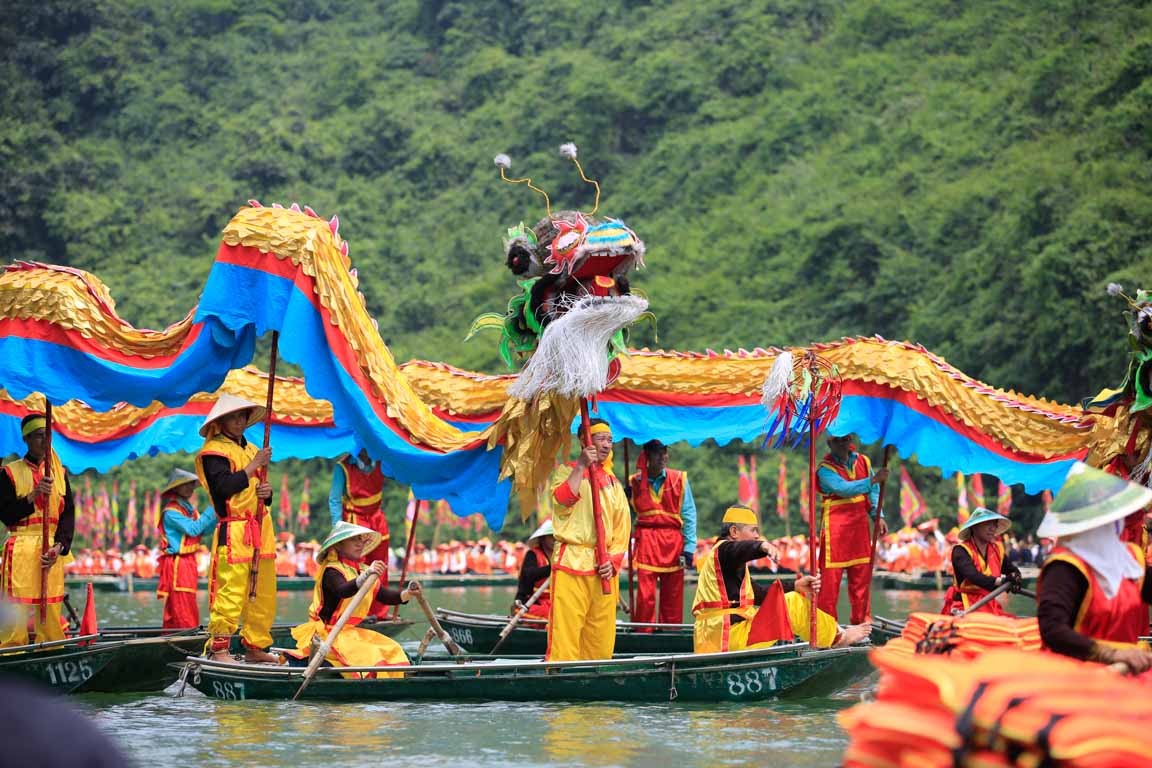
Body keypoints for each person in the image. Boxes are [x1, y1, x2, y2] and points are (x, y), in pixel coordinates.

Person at [691, 505, 871, 652]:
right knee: (792, 603)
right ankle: (838, 637)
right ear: (734, 531)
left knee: (792, 596)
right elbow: (739, 550)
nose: (756, 535)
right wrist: (762, 546)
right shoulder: (724, 550)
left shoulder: (726, 563)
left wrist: (795, 585)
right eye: (753, 530)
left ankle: (832, 633)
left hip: (719, 637)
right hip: (726, 638)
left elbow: (760, 594)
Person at [1036, 462, 1152, 673]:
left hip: (1131, 669)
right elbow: (1052, 630)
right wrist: (1110, 654)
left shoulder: (1131, 558)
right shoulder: (1065, 567)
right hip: (1078, 675)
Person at [194, 393, 278, 663]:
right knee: (231, 590)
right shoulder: (213, 452)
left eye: (243, 416)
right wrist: (255, 467)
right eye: (233, 416)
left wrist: (267, 492)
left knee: (263, 590)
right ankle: (219, 649)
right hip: (234, 529)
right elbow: (223, 488)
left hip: (262, 527)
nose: (239, 421)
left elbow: (259, 490)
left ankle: (255, 646)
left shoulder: (253, 449)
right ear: (221, 421)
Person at [286, 521, 419, 677]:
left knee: (391, 648)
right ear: (339, 545)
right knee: (372, 654)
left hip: (350, 632)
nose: (360, 544)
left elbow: (385, 596)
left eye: (361, 540)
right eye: (354, 540)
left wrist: (409, 593)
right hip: (329, 633)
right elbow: (343, 590)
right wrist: (365, 576)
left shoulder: (363, 569)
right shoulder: (332, 570)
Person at [546, 418, 631, 661]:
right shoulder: (566, 470)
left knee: (600, 635)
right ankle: (561, 677)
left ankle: (596, 679)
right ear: (585, 441)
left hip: (603, 568)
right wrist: (581, 466)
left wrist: (613, 561)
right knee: (567, 632)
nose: (607, 445)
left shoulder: (614, 483)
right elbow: (563, 500)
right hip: (572, 562)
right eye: (601, 439)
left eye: (610, 440)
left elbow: (622, 528)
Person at [0, 413, 76, 646]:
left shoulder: (60, 474)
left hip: (50, 550)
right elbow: (5, 514)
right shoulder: (9, 473)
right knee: (17, 606)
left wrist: (59, 547)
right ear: (26, 439)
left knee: (50, 606)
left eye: (48, 436)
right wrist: (33, 496)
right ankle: (12, 652)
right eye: (39, 436)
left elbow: (68, 515)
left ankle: (53, 647)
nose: (45, 441)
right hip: (21, 546)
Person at [816, 433, 887, 624]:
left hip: (859, 528)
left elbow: (873, 493)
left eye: (844, 439)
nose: (841, 443)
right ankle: (826, 628)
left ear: (850, 441)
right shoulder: (824, 469)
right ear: (829, 443)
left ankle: (862, 624)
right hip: (835, 530)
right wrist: (872, 480)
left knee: (861, 581)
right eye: (836, 440)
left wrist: (878, 516)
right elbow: (844, 489)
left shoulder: (864, 461)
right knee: (829, 586)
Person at [627, 439, 697, 626]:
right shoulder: (633, 482)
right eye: (657, 452)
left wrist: (690, 547)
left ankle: (671, 633)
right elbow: (624, 517)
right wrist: (624, 498)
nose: (663, 456)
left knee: (673, 595)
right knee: (645, 596)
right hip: (646, 541)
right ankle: (643, 633)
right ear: (646, 455)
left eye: (664, 451)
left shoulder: (679, 479)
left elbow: (689, 515)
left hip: (672, 541)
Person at [328, 447, 392, 618]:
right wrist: (338, 530)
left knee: (380, 566)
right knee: (355, 569)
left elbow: (403, 472)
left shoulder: (382, 461)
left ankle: (379, 613)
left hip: (377, 519)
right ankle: (355, 613)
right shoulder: (343, 467)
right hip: (355, 521)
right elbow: (334, 500)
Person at [156, 467, 218, 629]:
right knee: (181, 601)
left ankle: (181, 632)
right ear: (176, 488)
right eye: (186, 485)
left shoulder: (189, 510)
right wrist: (212, 507)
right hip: (178, 563)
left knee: (187, 600)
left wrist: (218, 514)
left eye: (192, 484)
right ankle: (185, 634)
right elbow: (193, 529)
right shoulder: (171, 512)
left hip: (189, 561)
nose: (190, 488)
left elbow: (204, 530)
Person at [940, 507, 1021, 616]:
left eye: (994, 524)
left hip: (989, 603)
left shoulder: (997, 550)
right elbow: (974, 576)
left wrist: (1015, 578)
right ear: (974, 527)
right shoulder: (960, 550)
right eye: (988, 524)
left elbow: (1012, 570)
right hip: (964, 605)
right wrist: (1002, 581)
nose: (992, 528)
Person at [513, 519, 553, 619]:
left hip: (554, 602)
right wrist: (553, 568)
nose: (554, 540)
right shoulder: (532, 555)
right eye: (551, 536)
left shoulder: (560, 556)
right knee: (551, 616)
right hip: (529, 603)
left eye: (556, 537)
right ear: (543, 538)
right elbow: (530, 574)